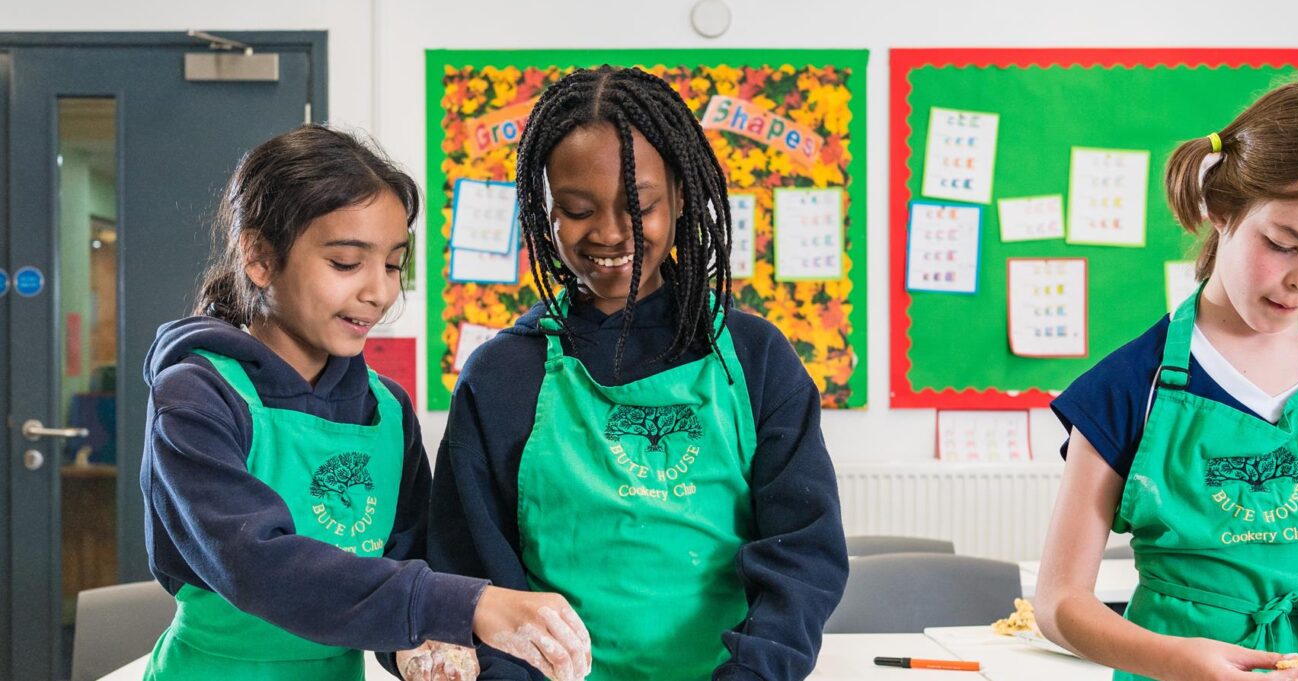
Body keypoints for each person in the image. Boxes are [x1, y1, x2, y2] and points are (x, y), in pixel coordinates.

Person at [428, 65, 849, 680]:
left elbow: (802, 555)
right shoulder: (502, 376)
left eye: (639, 206)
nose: (607, 232)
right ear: (544, 211)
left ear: (680, 196)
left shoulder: (755, 359)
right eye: (575, 210)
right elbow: (475, 571)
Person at [140, 125, 590, 681]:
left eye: (393, 264)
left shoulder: (387, 410)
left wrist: (414, 649)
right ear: (258, 256)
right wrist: (470, 604)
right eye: (347, 263)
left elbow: (401, 567)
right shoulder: (197, 397)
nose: (379, 291)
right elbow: (259, 565)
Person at [1034, 81, 1298, 680]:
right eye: (1284, 245)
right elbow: (1059, 603)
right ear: (1222, 209)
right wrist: (1175, 659)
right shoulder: (1128, 390)